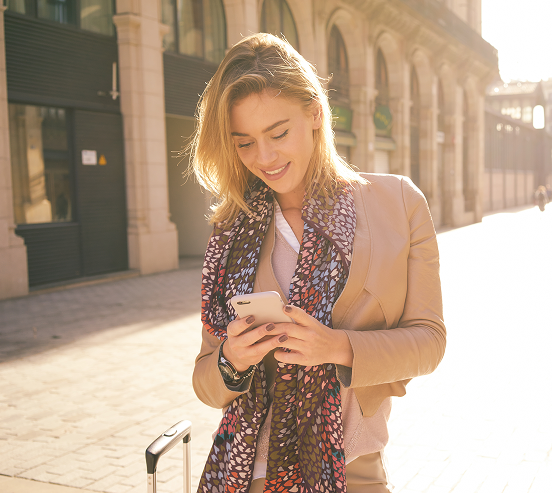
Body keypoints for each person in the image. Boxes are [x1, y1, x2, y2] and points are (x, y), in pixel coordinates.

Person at [188, 34, 446, 493]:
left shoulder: (397, 203)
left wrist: (338, 348)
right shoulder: (230, 232)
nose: (264, 158)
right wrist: (232, 360)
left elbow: (429, 341)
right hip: (246, 474)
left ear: (315, 113)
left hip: (353, 470)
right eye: (244, 143)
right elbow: (207, 383)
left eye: (278, 133)